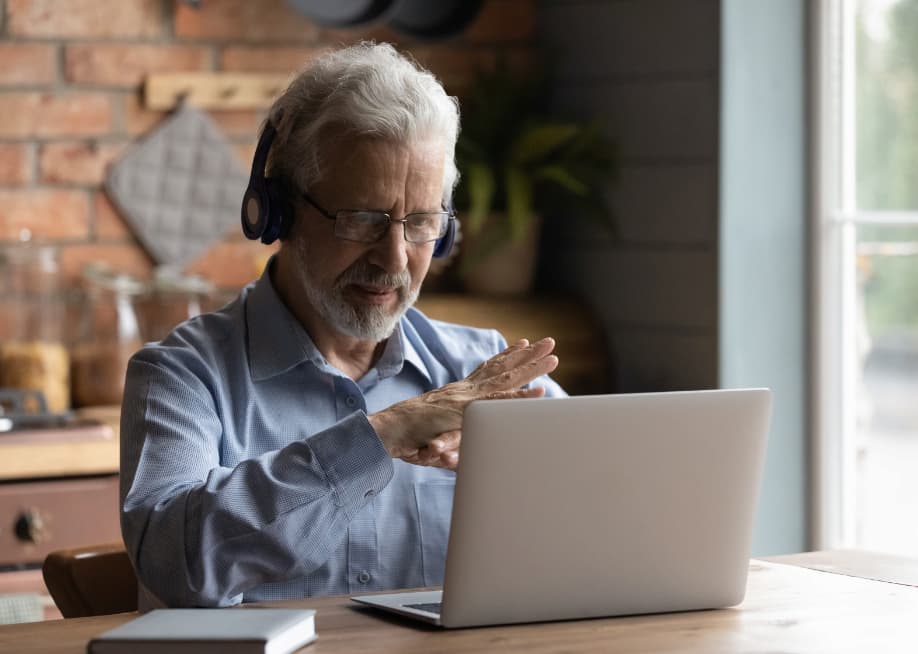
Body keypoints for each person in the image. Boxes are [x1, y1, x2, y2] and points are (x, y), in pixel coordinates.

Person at [119, 42, 565, 609]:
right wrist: (383, 435)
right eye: (362, 221)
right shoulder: (182, 376)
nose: (396, 260)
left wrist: (538, 488)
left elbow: (613, 522)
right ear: (278, 211)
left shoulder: (485, 372)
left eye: (422, 223)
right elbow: (173, 561)